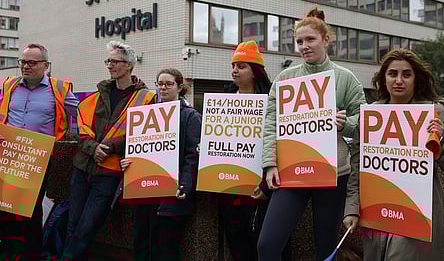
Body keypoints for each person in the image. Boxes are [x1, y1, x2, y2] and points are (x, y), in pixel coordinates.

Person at [257, 8, 366, 261]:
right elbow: (271, 123)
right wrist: (270, 164)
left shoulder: (345, 78)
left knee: (326, 248)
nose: (304, 46)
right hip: (292, 171)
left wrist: (345, 124)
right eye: (299, 42)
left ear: (326, 40)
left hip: (334, 173)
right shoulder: (285, 78)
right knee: (267, 245)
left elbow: (365, 119)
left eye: (310, 40)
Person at [343, 48, 444, 261]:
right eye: (392, 74)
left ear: (416, 79)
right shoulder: (370, 114)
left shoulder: (435, 113)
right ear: (384, 79)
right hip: (377, 214)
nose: (399, 80)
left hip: (415, 214)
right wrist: (352, 208)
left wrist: (441, 144)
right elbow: (358, 166)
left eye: (406, 74)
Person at [62, 41, 156, 261]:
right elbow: (78, 131)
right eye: (108, 61)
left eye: (115, 61)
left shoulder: (147, 99)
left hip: (109, 172)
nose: (110, 65)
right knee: (72, 224)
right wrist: (94, 148)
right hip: (83, 167)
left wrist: (111, 147)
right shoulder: (96, 96)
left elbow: (146, 135)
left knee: (86, 228)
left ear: (129, 65)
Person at [0, 43, 78, 261]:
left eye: (32, 62)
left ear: (46, 65)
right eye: (23, 62)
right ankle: (9, 251)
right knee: (4, 206)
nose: (26, 66)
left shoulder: (59, 89)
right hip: (9, 154)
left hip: (37, 158)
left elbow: (85, 113)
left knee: (30, 210)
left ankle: (32, 254)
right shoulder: (10, 85)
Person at [120, 68, 201, 261]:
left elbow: (193, 156)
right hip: (144, 193)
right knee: (141, 245)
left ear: (179, 87)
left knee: (165, 248)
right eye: (160, 84)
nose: (163, 88)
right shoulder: (145, 115)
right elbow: (137, 149)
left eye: (169, 84)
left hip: (170, 195)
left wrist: (185, 185)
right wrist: (128, 162)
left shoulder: (190, 116)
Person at [219, 41, 290, 261]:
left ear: (255, 71)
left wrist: (265, 182)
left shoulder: (272, 101)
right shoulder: (223, 101)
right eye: (234, 65)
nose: (235, 70)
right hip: (229, 189)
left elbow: (280, 142)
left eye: (241, 66)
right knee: (236, 242)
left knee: (263, 242)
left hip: (261, 187)